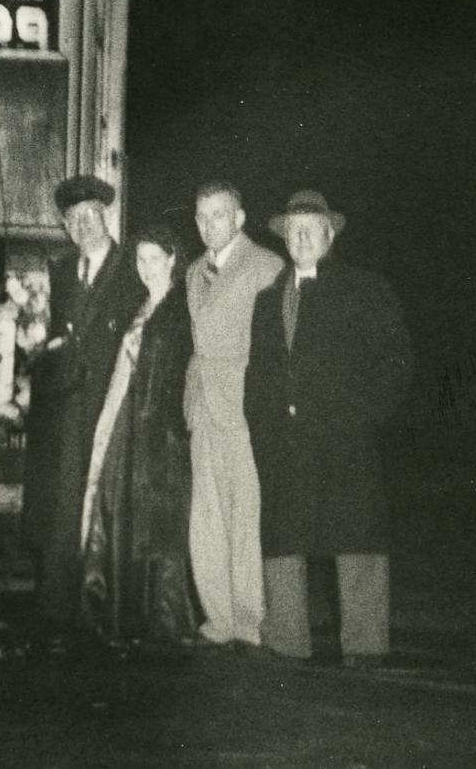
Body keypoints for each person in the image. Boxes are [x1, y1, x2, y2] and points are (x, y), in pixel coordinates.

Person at [245, 190, 411, 665]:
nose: (300, 237)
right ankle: (285, 641)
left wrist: (362, 414)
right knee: (283, 538)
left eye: (310, 228)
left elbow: (397, 363)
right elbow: (258, 375)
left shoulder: (366, 290)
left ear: (329, 234)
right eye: (292, 230)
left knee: (356, 535)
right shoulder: (268, 300)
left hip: (345, 440)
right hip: (285, 442)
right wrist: (263, 427)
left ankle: (364, 645)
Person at [23, 174, 146, 639]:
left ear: (106, 217)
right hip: (62, 406)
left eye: (91, 216)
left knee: (101, 503)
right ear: (65, 226)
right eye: (74, 219)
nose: (84, 226)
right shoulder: (58, 272)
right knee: (59, 505)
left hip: (107, 403)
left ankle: (100, 607)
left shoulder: (131, 270)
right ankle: (56, 606)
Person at [77, 225, 198, 645]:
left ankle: (163, 618)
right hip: (128, 422)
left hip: (161, 431)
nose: (146, 268)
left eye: (154, 259)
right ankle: (121, 613)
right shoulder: (142, 305)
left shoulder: (182, 309)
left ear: (172, 260)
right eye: (140, 260)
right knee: (118, 509)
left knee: (159, 520)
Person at [183, 181, 284, 649]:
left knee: (246, 516)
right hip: (203, 407)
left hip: (244, 409)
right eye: (202, 217)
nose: (208, 226)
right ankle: (218, 619)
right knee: (206, 517)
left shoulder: (265, 266)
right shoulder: (191, 272)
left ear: (239, 218)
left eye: (218, 215)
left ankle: (250, 620)